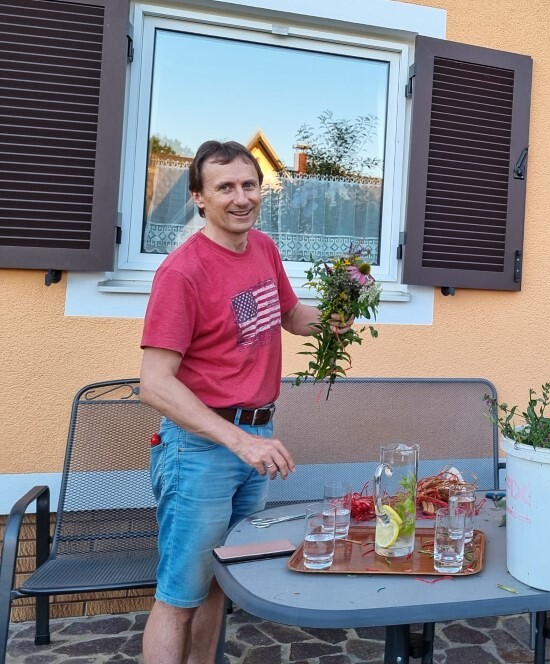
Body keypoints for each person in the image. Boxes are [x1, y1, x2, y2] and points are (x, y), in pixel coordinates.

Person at [139, 140, 350, 663]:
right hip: (201, 451)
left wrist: (332, 318)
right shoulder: (182, 272)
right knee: (178, 597)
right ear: (199, 198)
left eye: (249, 185)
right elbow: (155, 384)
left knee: (219, 583)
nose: (241, 198)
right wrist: (240, 442)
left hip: (255, 439)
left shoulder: (263, 249)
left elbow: (290, 314)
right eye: (225, 187)